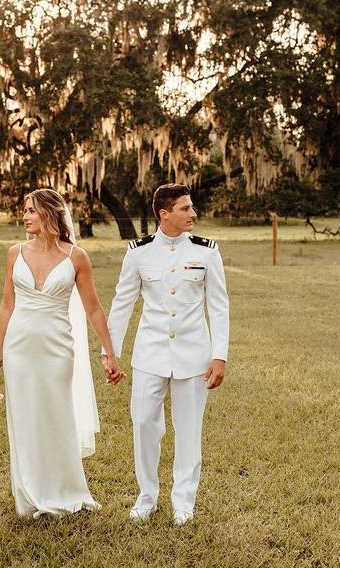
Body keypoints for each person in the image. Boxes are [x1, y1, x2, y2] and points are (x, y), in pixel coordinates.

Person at [0, 188, 125, 518]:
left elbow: (93, 309)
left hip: (57, 347)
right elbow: (7, 305)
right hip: (19, 346)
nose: (25, 216)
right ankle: (30, 491)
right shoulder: (14, 253)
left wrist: (110, 352)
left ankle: (65, 489)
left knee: (57, 415)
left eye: (31, 210)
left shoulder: (77, 257)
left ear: (49, 214)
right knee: (24, 417)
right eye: (24, 210)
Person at [105, 183, 230, 526]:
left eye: (192, 208)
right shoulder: (138, 253)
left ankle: (183, 502)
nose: (193, 214)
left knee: (188, 431)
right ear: (164, 213)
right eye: (186, 208)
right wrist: (110, 353)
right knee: (144, 425)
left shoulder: (207, 252)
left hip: (194, 358)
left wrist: (219, 355)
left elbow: (219, 307)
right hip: (150, 355)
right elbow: (122, 304)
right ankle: (147, 497)